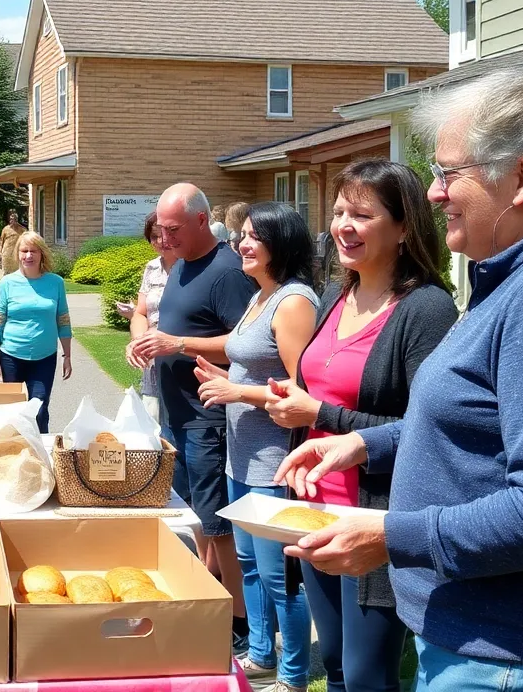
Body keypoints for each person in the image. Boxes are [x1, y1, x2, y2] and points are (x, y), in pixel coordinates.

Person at [278, 68, 523, 691]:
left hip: (518, 654)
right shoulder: (520, 280)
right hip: (488, 646)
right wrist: (367, 443)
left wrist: (394, 534)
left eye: (451, 174)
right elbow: (481, 423)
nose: (433, 194)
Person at [261, 159, 455, 692]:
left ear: (405, 227)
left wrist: (320, 414)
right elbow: (316, 392)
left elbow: (428, 428)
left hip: (373, 521)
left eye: (363, 214)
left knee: (370, 676)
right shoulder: (334, 297)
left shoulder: (426, 310)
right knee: (341, 665)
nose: (343, 224)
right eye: (339, 210)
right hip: (315, 510)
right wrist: (294, 408)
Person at [192, 202, 318, 691]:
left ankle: (293, 673)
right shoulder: (260, 295)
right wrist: (227, 377)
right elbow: (253, 363)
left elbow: (302, 390)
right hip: (240, 458)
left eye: (253, 237)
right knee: (247, 564)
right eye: (241, 234)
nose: (242, 244)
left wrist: (237, 391)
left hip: (274, 460)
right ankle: (262, 655)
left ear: (280, 243)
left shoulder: (293, 302)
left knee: (279, 575)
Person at [131, 183, 255, 653]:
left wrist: (176, 344)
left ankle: (240, 623)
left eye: (173, 228)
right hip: (176, 412)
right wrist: (146, 339)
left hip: (208, 417)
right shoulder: (182, 264)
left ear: (202, 221)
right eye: (160, 228)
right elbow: (158, 319)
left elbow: (243, 344)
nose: (164, 237)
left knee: (219, 522)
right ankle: (211, 599)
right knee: (199, 519)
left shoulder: (226, 272)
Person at [0, 231, 72, 432]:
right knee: (13, 411)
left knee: (39, 409)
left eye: (33, 251)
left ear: (42, 254)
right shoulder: (7, 283)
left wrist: (67, 355)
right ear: (17, 254)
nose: (28, 256)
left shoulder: (56, 282)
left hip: (44, 358)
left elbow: (63, 320)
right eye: (24, 251)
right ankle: (14, 452)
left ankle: (40, 453)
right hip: (11, 356)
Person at [125, 212, 175, 424]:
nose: (161, 241)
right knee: (151, 422)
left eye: (165, 234)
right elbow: (140, 312)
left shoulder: (192, 268)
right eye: (154, 237)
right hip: (153, 362)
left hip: (180, 358)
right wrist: (138, 341)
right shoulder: (152, 268)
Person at [0, 209, 26, 275]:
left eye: (14, 219)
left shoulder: (23, 230)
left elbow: (26, 242)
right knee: (6, 273)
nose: (12, 221)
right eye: (11, 219)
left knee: (17, 273)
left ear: (17, 220)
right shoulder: (5, 229)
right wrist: (0, 252)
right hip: (6, 254)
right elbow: (1, 242)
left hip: (17, 254)